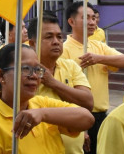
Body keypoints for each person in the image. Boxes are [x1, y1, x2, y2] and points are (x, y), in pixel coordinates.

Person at [0, 44, 94, 154]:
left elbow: (87, 118)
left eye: (37, 69)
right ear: (1, 75)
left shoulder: (41, 104)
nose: (34, 76)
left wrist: (42, 114)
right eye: (25, 68)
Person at [61, 1, 124, 154]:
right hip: (77, 113)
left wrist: (99, 58)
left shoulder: (99, 47)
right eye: (86, 18)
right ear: (71, 21)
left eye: (94, 18)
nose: (92, 22)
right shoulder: (64, 49)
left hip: (101, 115)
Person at [28, 15, 93, 154]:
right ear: (32, 43)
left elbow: (88, 102)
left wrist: (53, 83)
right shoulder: (25, 72)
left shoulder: (70, 66)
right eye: (49, 37)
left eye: (59, 37)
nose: (56, 42)